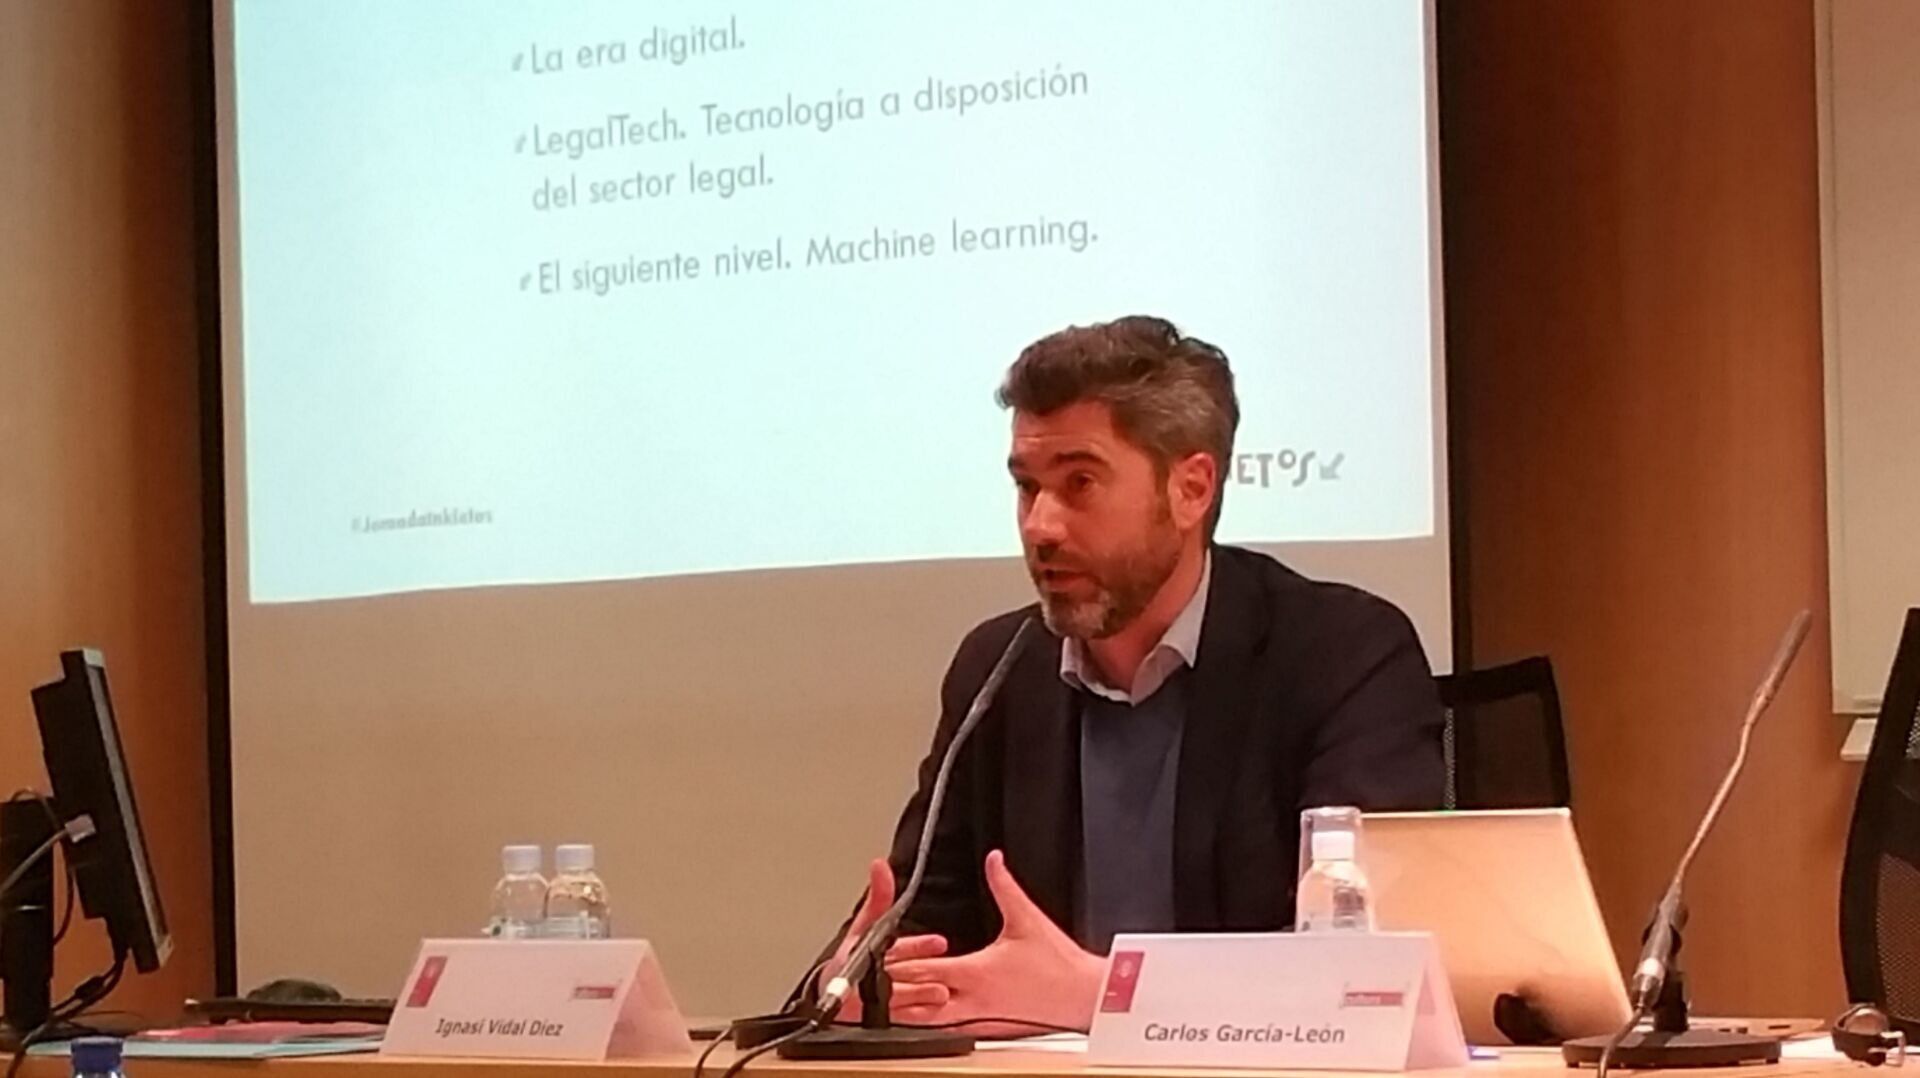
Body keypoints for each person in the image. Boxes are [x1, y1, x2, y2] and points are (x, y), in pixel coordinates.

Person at [818, 315, 1443, 1033]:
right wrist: (863, 984)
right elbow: (917, 922)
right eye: (1027, 487)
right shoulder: (999, 670)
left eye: (1080, 482)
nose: (1040, 525)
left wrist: (1095, 995)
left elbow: (1360, 977)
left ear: (1191, 489)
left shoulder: (1343, 653)